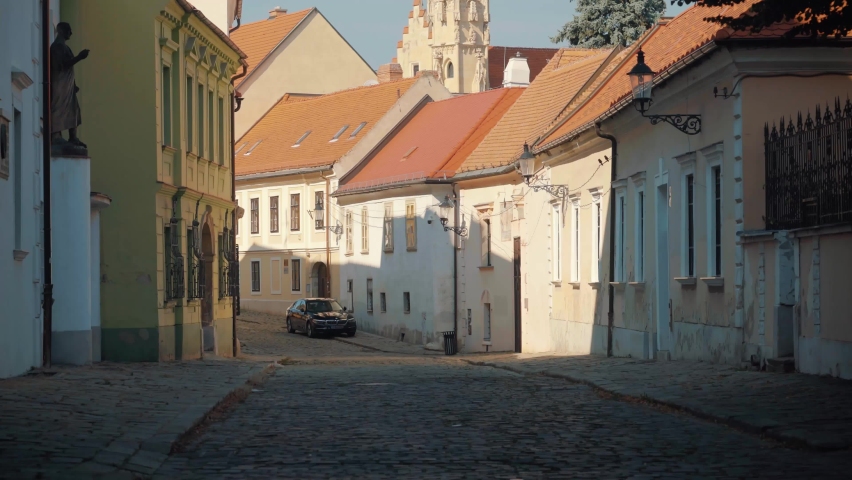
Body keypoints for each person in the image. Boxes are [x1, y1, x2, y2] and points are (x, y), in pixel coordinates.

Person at [50, 22, 89, 148]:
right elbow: (64, 65)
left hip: (68, 84)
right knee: (59, 107)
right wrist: (79, 57)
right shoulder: (56, 47)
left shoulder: (65, 47)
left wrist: (74, 84)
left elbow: (69, 68)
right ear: (61, 31)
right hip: (59, 84)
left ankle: (73, 137)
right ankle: (55, 136)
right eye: (69, 30)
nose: (71, 33)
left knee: (74, 109)